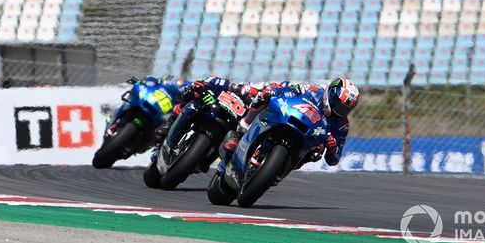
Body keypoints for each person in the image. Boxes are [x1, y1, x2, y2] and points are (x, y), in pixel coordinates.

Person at [220, 77, 360, 167]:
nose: (339, 110)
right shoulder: (315, 90)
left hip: (306, 141)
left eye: (345, 109)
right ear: (330, 94)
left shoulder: (342, 124)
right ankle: (242, 128)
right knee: (267, 93)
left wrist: (332, 147)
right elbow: (291, 90)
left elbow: (334, 160)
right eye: (338, 104)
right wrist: (280, 91)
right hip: (290, 117)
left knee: (318, 151)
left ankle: (281, 169)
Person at [154, 76, 256, 141]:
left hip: (236, 113)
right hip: (216, 98)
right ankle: (170, 123)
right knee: (190, 93)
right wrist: (202, 86)